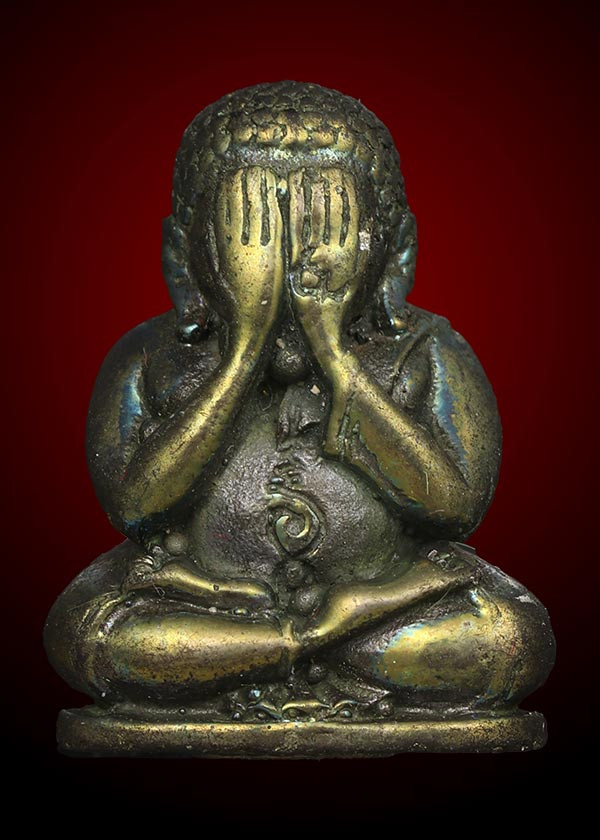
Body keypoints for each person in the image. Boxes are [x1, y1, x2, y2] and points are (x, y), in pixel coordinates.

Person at [44, 81, 555, 735]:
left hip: (383, 608)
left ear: (395, 251)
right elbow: (136, 506)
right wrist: (244, 348)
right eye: (252, 237)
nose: (287, 268)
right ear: (184, 257)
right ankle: (307, 642)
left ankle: (276, 649)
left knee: (508, 638)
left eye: (323, 231)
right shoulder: (151, 355)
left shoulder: (428, 351)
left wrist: (334, 351)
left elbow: (455, 507)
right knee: (88, 634)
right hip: (209, 604)